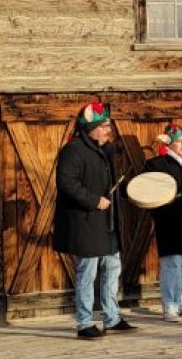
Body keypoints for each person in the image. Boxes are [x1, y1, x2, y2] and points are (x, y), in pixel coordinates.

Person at [53, 101, 138, 339]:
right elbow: (66, 183)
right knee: (87, 273)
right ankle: (84, 323)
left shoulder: (106, 149)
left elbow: (109, 183)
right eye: (104, 126)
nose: (108, 130)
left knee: (112, 269)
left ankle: (112, 318)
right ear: (90, 128)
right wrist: (93, 201)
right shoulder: (74, 150)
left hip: (108, 223)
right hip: (86, 222)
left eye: (108, 125)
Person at [145, 124, 182, 322]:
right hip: (169, 220)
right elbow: (148, 190)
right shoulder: (156, 165)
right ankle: (169, 305)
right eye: (179, 142)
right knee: (172, 263)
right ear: (169, 144)